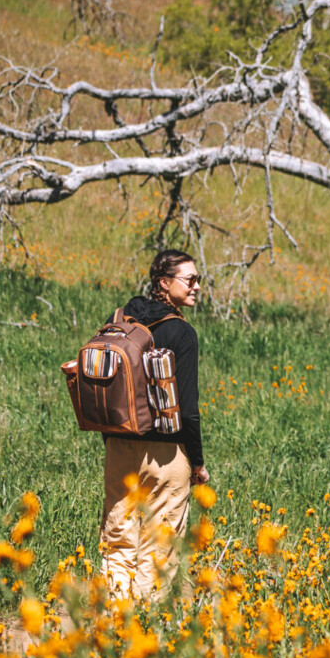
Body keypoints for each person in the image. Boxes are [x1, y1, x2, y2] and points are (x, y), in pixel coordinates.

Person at [99, 249, 211, 601]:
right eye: (189, 280)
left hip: (119, 446)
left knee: (118, 539)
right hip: (166, 454)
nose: (196, 287)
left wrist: (111, 438)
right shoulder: (182, 333)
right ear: (165, 283)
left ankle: (111, 627)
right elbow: (188, 411)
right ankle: (144, 635)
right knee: (157, 547)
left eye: (198, 280)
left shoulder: (121, 319)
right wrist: (197, 463)